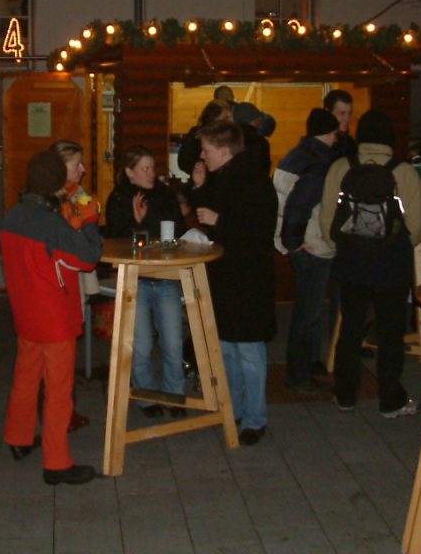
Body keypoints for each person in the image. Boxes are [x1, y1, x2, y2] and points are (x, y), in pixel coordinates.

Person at [319, 109, 421, 417]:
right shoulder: (403, 171)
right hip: (391, 263)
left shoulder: (341, 167)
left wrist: (340, 246)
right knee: (390, 332)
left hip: (352, 262)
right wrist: (401, 245)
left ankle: (345, 394)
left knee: (350, 327)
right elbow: (418, 221)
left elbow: (327, 217)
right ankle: (391, 400)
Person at [0, 150, 101, 486]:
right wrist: (90, 220)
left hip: (25, 313)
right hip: (54, 318)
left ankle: (18, 437)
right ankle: (57, 463)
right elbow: (88, 257)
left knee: (26, 377)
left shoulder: (14, 215)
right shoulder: (50, 223)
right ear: (57, 182)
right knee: (59, 391)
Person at [189, 121, 278, 446]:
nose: (202, 155)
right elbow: (211, 216)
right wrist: (200, 187)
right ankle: (235, 410)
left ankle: (254, 418)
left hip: (248, 280)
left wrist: (220, 220)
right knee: (227, 349)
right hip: (227, 278)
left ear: (225, 151)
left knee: (249, 351)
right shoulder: (226, 177)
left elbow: (257, 229)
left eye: (207, 150)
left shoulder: (253, 181)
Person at [105, 146, 187, 418]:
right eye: (145, 169)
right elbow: (115, 239)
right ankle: (146, 396)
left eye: (153, 168)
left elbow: (179, 229)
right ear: (129, 172)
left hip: (165, 276)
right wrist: (136, 222)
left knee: (173, 343)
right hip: (136, 279)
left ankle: (174, 396)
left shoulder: (165, 195)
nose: (151, 174)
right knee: (141, 346)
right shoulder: (119, 198)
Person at [273, 108, 340, 391]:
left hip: (300, 241)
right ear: (329, 132)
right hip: (311, 243)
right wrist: (294, 241)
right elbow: (300, 206)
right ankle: (299, 374)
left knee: (306, 310)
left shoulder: (296, 155)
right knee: (308, 313)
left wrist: (287, 240)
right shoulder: (319, 163)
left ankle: (308, 367)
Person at [50, 139, 100, 432]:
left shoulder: (78, 193)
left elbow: (86, 212)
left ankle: (65, 408)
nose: (83, 169)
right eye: (76, 164)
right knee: (59, 351)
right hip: (60, 278)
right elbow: (71, 231)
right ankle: (60, 413)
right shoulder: (51, 197)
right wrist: (87, 217)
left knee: (65, 350)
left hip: (71, 276)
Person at [177, 98, 232, 177]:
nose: (230, 122)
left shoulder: (230, 135)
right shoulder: (196, 136)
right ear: (213, 118)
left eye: (230, 118)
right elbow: (183, 160)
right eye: (225, 118)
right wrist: (201, 169)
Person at [231, 101, 272, 174]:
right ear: (254, 120)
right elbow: (264, 170)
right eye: (258, 117)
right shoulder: (260, 142)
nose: (261, 120)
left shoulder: (226, 139)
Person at [323, 89, 357, 160]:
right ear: (328, 113)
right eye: (342, 113)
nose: (347, 118)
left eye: (349, 113)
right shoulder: (318, 144)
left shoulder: (351, 144)